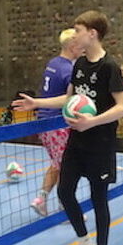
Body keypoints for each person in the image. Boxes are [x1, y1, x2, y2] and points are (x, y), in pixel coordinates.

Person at [13, 10, 123, 245]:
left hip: (100, 143)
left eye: (78, 30)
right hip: (77, 141)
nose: (75, 35)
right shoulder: (79, 65)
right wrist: (37, 102)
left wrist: (93, 121)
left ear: (92, 33)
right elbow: (68, 99)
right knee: (65, 192)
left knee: (98, 199)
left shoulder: (109, 66)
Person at [31, 28, 82, 217]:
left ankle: (42, 199)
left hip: (44, 121)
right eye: (79, 44)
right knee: (66, 166)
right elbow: (71, 98)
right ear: (72, 45)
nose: (83, 48)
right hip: (57, 123)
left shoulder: (53, 63)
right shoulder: (68, 69)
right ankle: (65, 206)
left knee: (58, 163)